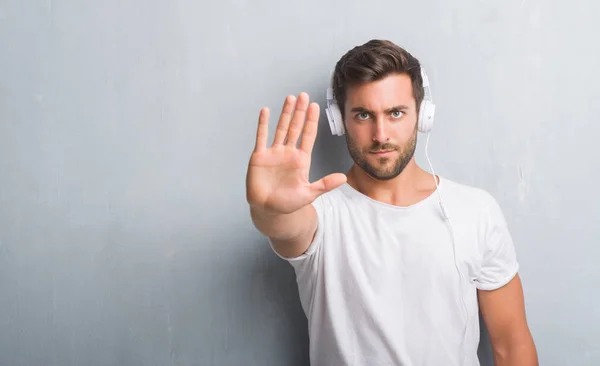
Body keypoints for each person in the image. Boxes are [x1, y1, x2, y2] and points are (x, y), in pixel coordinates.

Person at [246, 39, 538, 366]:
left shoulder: (476, 211)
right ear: (340, 122)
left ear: (422, 116)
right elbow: (285, 226)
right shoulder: (320, 214)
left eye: (396, 113)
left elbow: (513, 346)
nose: (381, 134)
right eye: (363, 115)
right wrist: (269, 209)